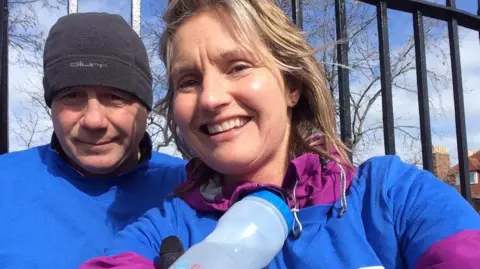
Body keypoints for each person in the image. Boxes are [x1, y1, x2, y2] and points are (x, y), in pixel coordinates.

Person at [81, 1, 480, 268]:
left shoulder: (391, 197)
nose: (211, 97)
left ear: (292, 85)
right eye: (188, 80)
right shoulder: (163, 229)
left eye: (237, 66)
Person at [0, 12, 187, 268]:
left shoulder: (191, 189)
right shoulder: (5, 183)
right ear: (51, 107)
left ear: (146, 108)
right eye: (72, 95)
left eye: (114, 96)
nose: (93, 120)